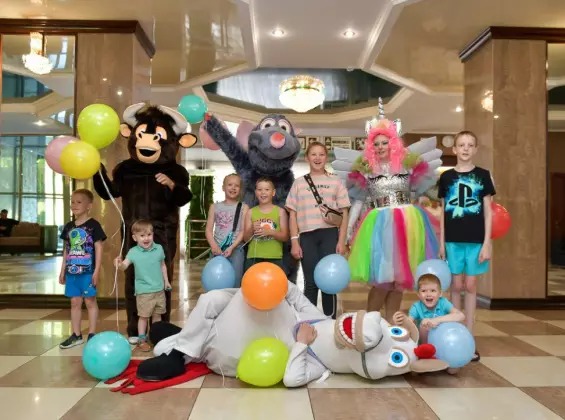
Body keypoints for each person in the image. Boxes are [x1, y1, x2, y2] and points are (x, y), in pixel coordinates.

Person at [343, 109, 440, 322]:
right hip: (378, 225)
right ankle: (370, 323)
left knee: (398, 281)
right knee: (382, 280)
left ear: (392, 143)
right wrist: (349, 230)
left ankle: (389, 327)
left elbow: (423, 193)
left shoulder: (408, 165)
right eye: (376, 144)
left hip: (407, 223)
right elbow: (358, 201)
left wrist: (429, 212)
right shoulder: (366, 168)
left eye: (384, 143)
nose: (380, 147)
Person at [438, 130, 495, 362]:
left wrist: (487, 243)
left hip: (476, 240)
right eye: (461, 145)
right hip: (452, 240)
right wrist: (441, 243)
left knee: (470, 286)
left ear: (475, 149)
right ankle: (455, 334)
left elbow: (489, 213)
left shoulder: (483, 175)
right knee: (455, 285)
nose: (465, 149)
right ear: (454, 149)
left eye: (470, 145)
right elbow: (442, 213)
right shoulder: (446, 177)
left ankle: (469, 337)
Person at [286, 141, 350, 318]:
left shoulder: (335, 181)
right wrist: (294, 242)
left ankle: (330, 322)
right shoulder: (298, 183)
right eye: (313, 154)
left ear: (326, 158)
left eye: (321, 154)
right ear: (307, 158)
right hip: (307, 237)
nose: (317, 158)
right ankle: (310, 321)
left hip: (329, 235)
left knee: (329, 282)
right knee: (311, 282)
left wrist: (341, 241)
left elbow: (344, 213)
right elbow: (292, 214)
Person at [59, 189, 106, 349]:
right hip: (72, 272)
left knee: (90, 301)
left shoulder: (94, 225)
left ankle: (92, 334)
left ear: (89, 206)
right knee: (75, 302)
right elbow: (66, 249)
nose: (74, 205)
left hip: (88, 272)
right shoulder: (69, 227)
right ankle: (76, 335)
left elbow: (99, 248)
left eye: (79, 202)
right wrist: (62, 270)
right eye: (72, 202)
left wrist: (96, 270)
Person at [115, 220, 172, 351]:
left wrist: (166, 281)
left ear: (153, 235)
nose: (146, 238)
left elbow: (163, 265)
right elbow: (124, 266)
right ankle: (141, 339)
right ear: (135, 238)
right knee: (144, 316)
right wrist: (119, 264)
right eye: (142, 236)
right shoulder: (133, 252)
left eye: (149, 235)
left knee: (157, 316)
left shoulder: (159, 249)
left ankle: (155, 337)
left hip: (159, 291)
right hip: (144, 292)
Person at [394, 274, 464, 344]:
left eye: (433, 291)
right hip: (425, 342)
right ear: (418, 294)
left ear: (440, 293)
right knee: (424, 324)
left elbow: (461, 316)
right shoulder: (416, 307)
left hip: (443, 341)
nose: (428, 294)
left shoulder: (443, 302)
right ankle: (426, 348)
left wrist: (437, 320)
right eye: (424, 291)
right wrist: (400, 322)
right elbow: (408, 325)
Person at [205, 173, 248, 286]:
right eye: (230, 185)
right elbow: (208, 230)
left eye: (236, 186)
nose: (233, 188)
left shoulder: (244, 207)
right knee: (215, 283)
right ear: (223, 187)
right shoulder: (214, 207)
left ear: (240, 189)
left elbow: (243, 231)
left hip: (236, 250)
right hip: (217, 249)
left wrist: (232, 247)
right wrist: (214, 246)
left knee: (235, 282)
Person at [243, 177, 288, 270]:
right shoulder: (250, 212)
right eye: (260, 190)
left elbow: (285, 237)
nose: (263, 192)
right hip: (254, 257)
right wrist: (252, 229)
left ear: (273, 192)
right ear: (256, 192)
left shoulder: (280, 212)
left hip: (275, 257)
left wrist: (270, 232)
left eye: (267, 189)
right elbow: (245, 239)